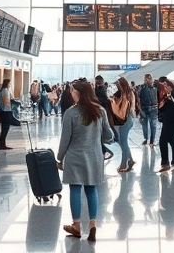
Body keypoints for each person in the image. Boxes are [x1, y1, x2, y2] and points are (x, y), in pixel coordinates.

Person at [57, 81, 113, 242]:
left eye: (73, 91)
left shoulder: (71, 113)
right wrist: (98, 138)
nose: (71, 93)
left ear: (79, 93)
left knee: (75, 189)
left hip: (75, 157)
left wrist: (59, 158)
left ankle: (76, 225)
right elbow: (109, 135)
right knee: (91, 189)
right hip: (94, 156)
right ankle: (93, 224)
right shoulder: (99, 111)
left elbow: (65, 139)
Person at [157, 79, 174, 173]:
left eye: (166, 85)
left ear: (170, 85)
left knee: (164, 140)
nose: (165, 87)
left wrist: (171, 100)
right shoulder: (166, 95)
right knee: (171, 140)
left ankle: (166, 162)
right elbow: (162, 108)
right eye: (163, 86)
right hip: (168, 120)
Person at [111, 77, 136, 173]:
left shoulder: (126, 94)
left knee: (123, 142)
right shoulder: (128, 93)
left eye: (118, 84)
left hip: (126, 120)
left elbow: (120, 107)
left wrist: (113, 101)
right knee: (122, 141)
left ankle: (124, 164)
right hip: (128, 119)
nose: (117, 86)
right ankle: (130, 160)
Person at [94, 76, 115, 160]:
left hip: (101, 114)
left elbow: (105, 101)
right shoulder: (104, 89)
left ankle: (105, 151)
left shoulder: (102, 90)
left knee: (99, 135)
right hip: (101, 114)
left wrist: (96, 100)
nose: (98, 84)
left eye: (99, 82)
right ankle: (104, 151)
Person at [138, 74, 159, 147]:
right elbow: (139, 98)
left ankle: (151, 141)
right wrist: (140, 109)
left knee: (153, 125)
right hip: (145, 108)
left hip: (153, 108)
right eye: (146, 79)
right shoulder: (142, 88)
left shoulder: (156, 87)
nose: (148, 80)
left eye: (149, 78)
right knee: (145, 125)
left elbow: (158, 98)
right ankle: (146, 139)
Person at [0, 78, 15, 150]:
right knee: (5, 128)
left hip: (3, 111)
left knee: (4, 128)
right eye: (10, 83)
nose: (10, 85)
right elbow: (6, 101)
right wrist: (12, 102)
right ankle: (1, 145)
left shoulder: (2, 90)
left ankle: (2, 144)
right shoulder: (5, 90)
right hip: (6, 111)